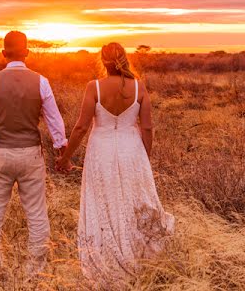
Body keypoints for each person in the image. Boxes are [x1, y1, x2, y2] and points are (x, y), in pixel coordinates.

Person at [56, 42, 174, 286]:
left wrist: (66, 157)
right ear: (125, 59)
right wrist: (144, 156)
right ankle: (139, 258)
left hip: (102, 151)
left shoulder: (94, 87)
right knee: (134, 200)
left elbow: (80, 127)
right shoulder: (139, 87)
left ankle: (107, 259)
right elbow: (148, 127)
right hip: (132, 150)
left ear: (103, 60)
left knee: (104, 201)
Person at [0, 30, 67, 283]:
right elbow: (54, 120)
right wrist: (61, 150)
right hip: (31, 155)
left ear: (4, 54)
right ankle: (35, 275)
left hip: (0, 154)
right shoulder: (41, 81)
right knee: (37, 215)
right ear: (26, 53)